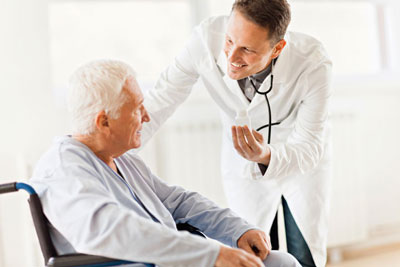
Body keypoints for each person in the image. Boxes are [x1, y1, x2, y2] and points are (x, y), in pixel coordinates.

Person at [29, 59, 300, 267]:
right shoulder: (63, 170)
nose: (146, 117)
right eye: (136, 108)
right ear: (104, 121)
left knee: (280, 262)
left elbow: (179, 201)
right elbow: (115, 231)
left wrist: (237, 229)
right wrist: (212, 254)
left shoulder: (121, 159)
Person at [141, 1, 333, 266]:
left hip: (300, 164)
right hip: (243, 166)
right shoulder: (204, 40)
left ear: (277, 48)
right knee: (258, 252)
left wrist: (266, 154)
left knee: (304, 253)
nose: (231, 58)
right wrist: (114, 148)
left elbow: (310, 144)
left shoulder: (313, 62)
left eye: (247, 50)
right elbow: (161, 98)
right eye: (229, 40)